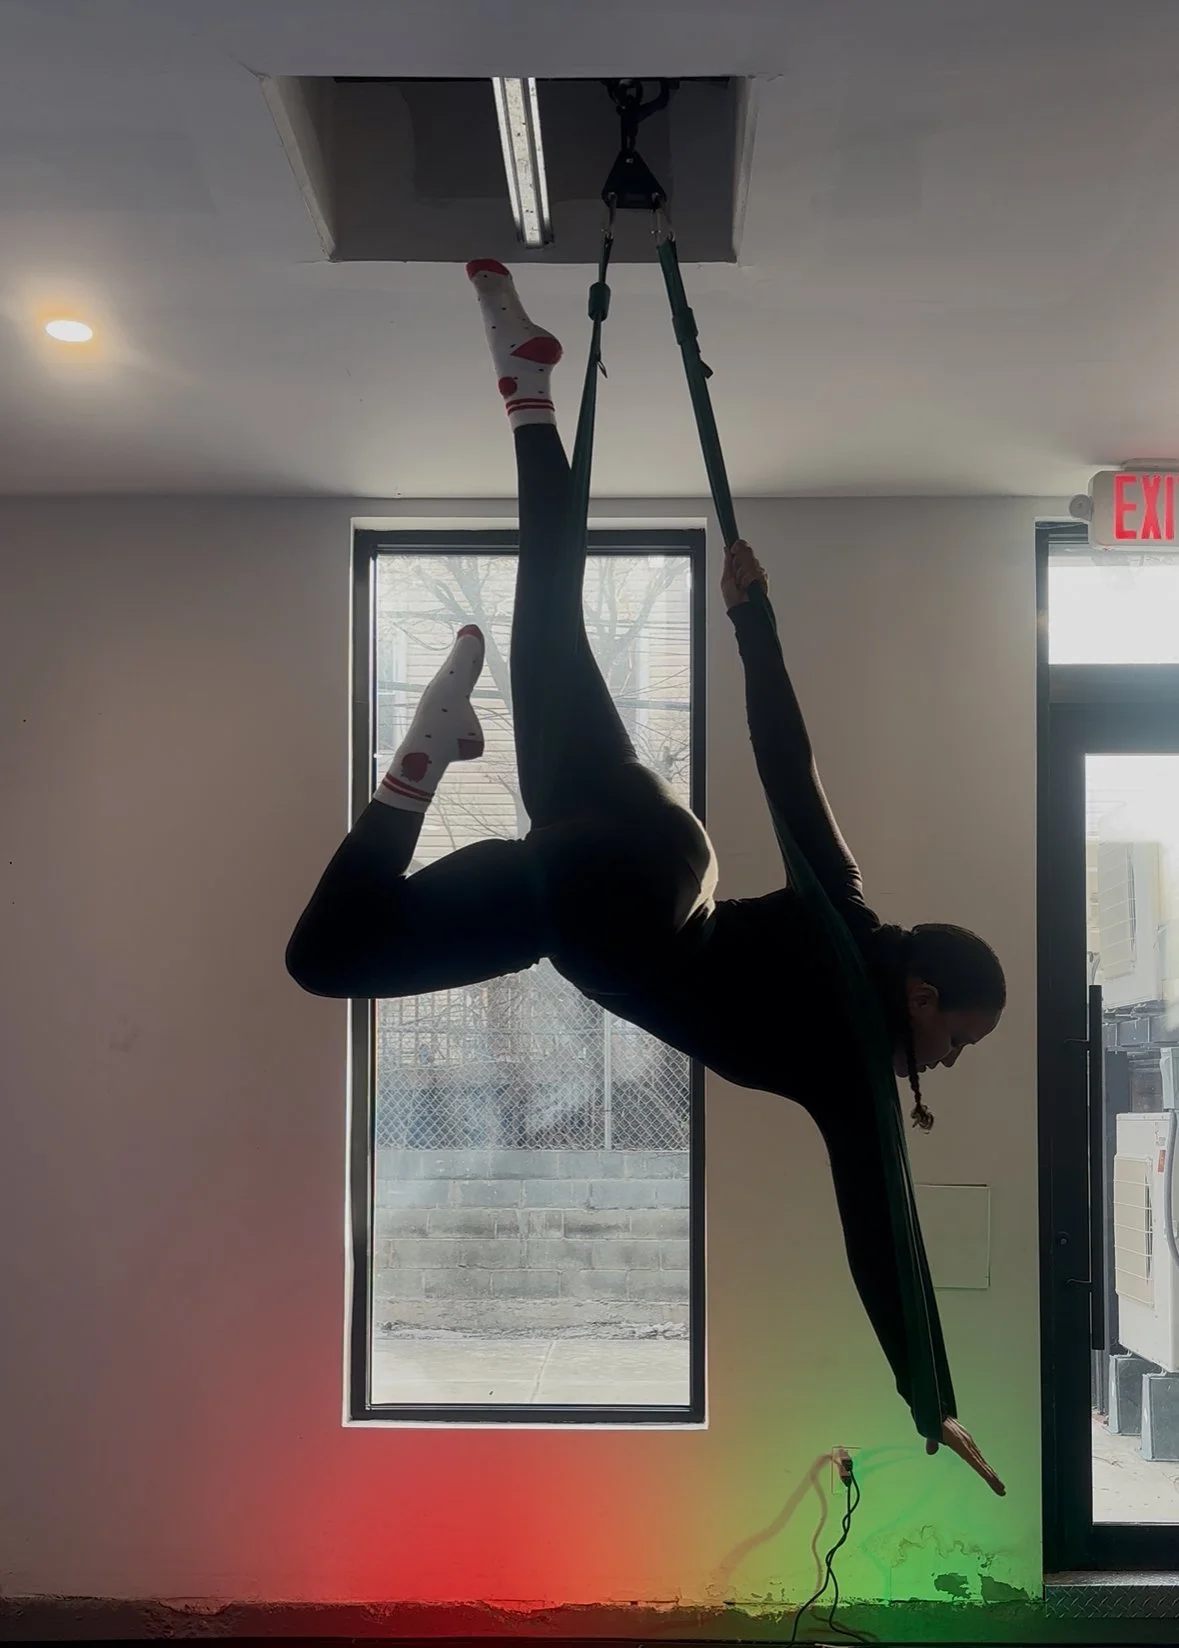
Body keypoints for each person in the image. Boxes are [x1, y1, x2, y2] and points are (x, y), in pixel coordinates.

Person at [287, 260, 1007, 1494]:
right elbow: (884, 1232)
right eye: (959, 1039)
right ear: (926, 996)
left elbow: (789, 770)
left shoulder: (849, 909)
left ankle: (527, 397)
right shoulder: (853, 1056)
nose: (947, 1060)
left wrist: (752, 624)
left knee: (545, 617)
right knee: (329, 958)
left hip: (657, 840)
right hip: (611, 918)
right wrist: (929, 1399)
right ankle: (419, 764)